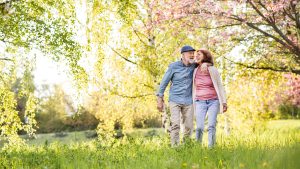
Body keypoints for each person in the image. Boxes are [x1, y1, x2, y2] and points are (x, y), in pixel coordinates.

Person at [156, 45, 209, 146]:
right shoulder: (173, 66)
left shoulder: (195, 65)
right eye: (190, 53)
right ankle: (175, 148)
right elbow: (164, 83)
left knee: (189, 126)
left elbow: (208, 61)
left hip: (189, 101)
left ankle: (187, 147)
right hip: (175, 100)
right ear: (183, 55)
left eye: (193, 53)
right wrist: (159, 99)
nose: (192, 55)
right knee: (175, 124)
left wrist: (205, 64)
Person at [192, 49, 227, 148]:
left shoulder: (213, 70)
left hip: (213, 101)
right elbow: (187, 60)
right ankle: (198, 147)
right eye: (196, 55)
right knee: (199, 127)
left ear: (205, 56)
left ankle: (211, 148)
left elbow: (220, 85)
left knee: (211, 126)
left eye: (199, 54)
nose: (196, 56)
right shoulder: (194, 70)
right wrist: (203, 63)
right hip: (199, 102)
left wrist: (224, 102)